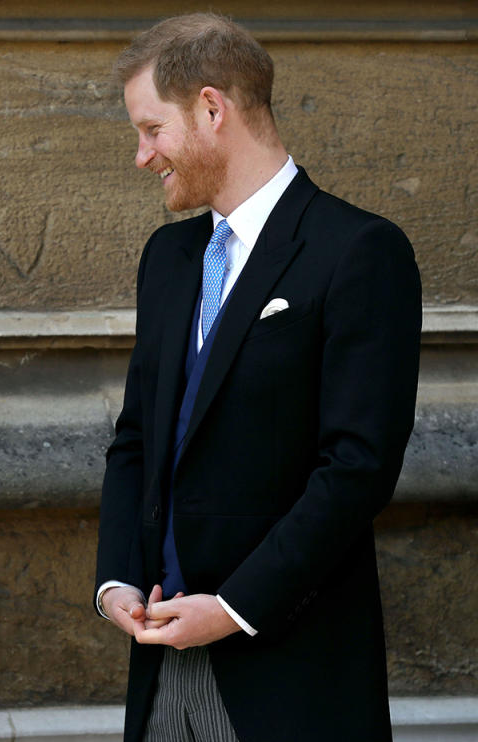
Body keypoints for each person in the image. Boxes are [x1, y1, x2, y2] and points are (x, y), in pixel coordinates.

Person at [95, 13, 421, 742]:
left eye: (151, 130)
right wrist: (115, 578)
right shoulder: (169, 259)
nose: (142, 156)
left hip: (288, 676)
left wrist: (234, 607)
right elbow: (139, 436)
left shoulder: (359, 252)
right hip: (159, 676)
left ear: (212, 108)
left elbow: (357, 469)